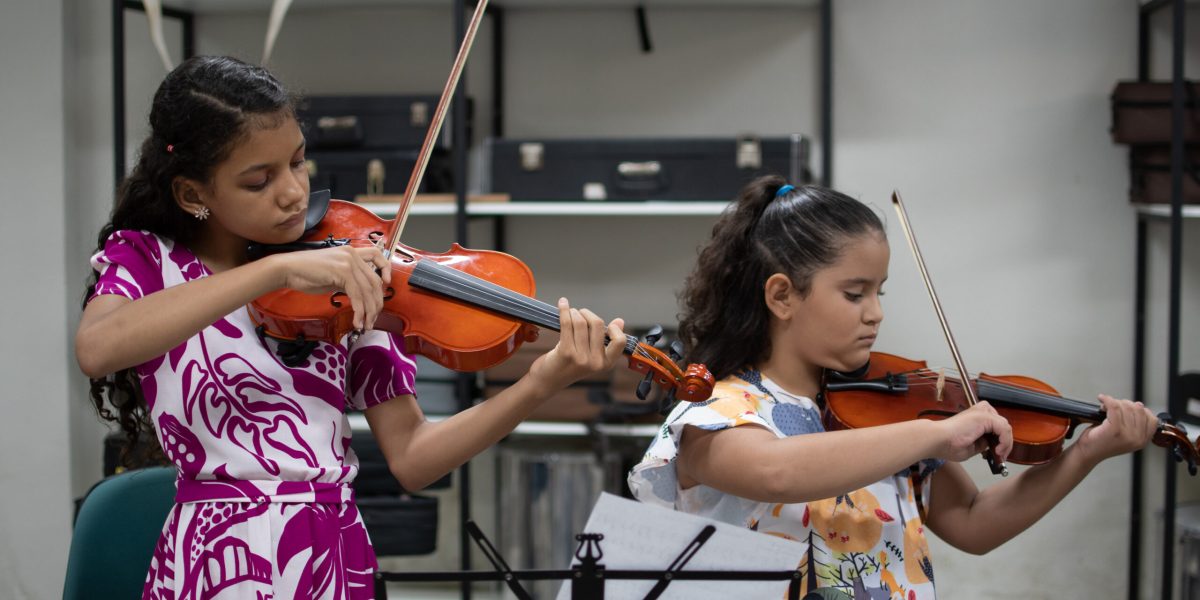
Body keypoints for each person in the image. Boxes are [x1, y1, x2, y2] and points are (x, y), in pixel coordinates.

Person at [76, 55, 626, 600]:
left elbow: (414, 457)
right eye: (258, 181)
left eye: (297, 162)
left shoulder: (347, 269)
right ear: (194, 194)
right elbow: (98, 348)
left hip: (329, 558)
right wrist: (273, 269)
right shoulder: (149, 262)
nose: (292, 191)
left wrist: (538, 385)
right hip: (214, 559)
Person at [627, 176, 1156, 599]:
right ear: (782, 296)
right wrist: (934, 435)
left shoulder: (881, 412)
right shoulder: (715, 411)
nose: (876, 314)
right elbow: (778, 471)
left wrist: (1086, 453)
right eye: (854, 294)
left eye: (879, 292)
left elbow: (973, 524)